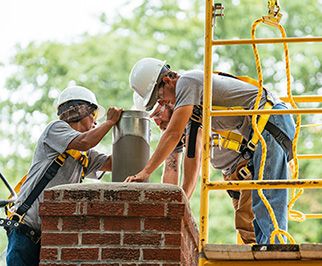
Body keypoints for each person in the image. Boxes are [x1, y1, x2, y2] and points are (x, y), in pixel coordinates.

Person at [125, 57, 295, 244]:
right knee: (262, 199)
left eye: (159, 98)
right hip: (267, 125)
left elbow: (173, 133)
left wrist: (145, 172)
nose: (164, 102)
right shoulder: (195, 108)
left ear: (167, 81)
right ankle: (270, 250)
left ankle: (273, 251)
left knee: (266, 198)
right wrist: (182, 203)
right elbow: (192, 158)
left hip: (270, 121)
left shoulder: (187, 82)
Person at [4, 86, 123, 266]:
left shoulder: (85, 155)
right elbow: (84, 141)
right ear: (81, 112)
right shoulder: (56, 129)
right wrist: (110, 123)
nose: (96, 122)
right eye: (94, 115)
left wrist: (133, 136)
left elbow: (117, 163)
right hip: (25, 233)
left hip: (50, 237)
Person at [150, 103, 256, 244]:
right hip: (233, 173)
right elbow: (171, 170)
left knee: (249, 228)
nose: (157, 122)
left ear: (170, 103)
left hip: (250, 164)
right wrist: (169, 208)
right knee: (247, 233)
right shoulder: (173, 130)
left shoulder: (192, 114)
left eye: (158, 114)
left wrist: (180, 208)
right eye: (152, 119)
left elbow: (195, 158)